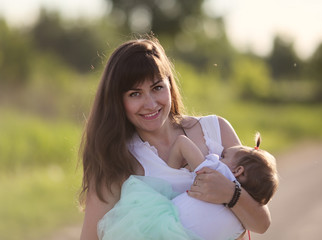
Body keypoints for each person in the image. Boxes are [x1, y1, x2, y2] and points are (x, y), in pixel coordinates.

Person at [79, 36, 271, 240]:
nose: (151, 104)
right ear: (117, 100)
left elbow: (261, 223)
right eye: (135, 94)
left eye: (157, 88)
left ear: (169, 85)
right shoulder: (116, 158)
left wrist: (230, 194)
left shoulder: (216, 130)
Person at [97, 132, 279, 240]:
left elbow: (182, 142)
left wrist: (172, 169)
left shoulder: (218, 172)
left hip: (161, 224)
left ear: (238, 171)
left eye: (223, 155)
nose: (217, 156)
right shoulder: (241, 224)